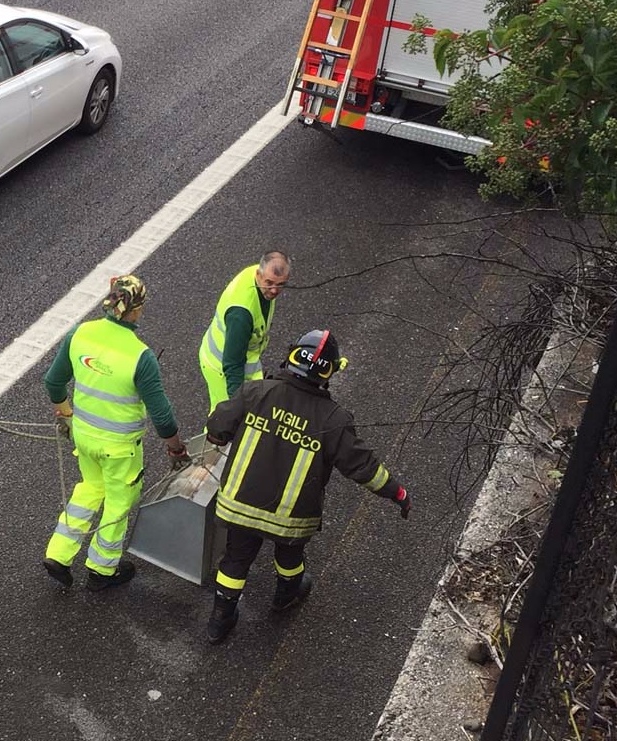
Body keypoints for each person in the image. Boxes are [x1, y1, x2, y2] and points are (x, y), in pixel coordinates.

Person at [203, 329, 412, 644]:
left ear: (290, 358)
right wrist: (398, 493)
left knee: (235, 559)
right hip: (291, 519)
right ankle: (287, 593)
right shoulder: (334, 419)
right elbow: (364, 468)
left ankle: (220, 620)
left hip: (239, 506)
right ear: (328, 373)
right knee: (289, 557)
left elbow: (217, 430)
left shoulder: (256, 391)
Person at [43, 274, 187, 591]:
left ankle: (59, 553)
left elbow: (53, 382)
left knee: (90, 489)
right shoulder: (140, 356)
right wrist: (176, 448)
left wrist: (65, 414)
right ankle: (102, 568)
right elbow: (162, 417)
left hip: (84, 437)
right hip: (120, 449)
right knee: (119, 502)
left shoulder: (81, 334)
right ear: (137, 309)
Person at [199, 250, 292, 412]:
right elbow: (233, 364)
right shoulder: (241, 314)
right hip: (220, 366)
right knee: (223, 419)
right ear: (258, 274)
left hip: (237, 357)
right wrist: (237, 403)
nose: (274, 290)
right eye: (269, 283)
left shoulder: (262, 277)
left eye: (280, 284)